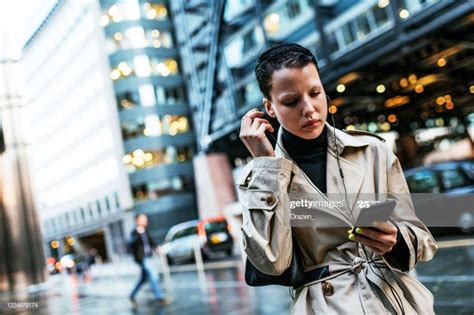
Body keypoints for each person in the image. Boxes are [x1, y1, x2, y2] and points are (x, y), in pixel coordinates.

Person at [238, 43, 437, 314]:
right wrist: (266, 167)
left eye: (315, 92)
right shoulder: (258, 178)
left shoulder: (372, 151)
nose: (309, 109)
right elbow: (272, 262)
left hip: (392, 301)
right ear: (269, 107)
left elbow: (422, 239)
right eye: (291, 101)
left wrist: (396, 241)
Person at [128, 213, 171, 305]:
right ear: (137, 220)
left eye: (145, 218)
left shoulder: (145, 231)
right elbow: (131, 245)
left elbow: (151, 242)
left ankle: (132, 295)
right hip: (142, 259)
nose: (145, 220)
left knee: (143, 279)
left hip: (148, 257)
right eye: (143, 218)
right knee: (154, 276)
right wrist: (139, 234)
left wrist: (157, 248)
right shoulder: (134, 233)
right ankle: (160, 297)